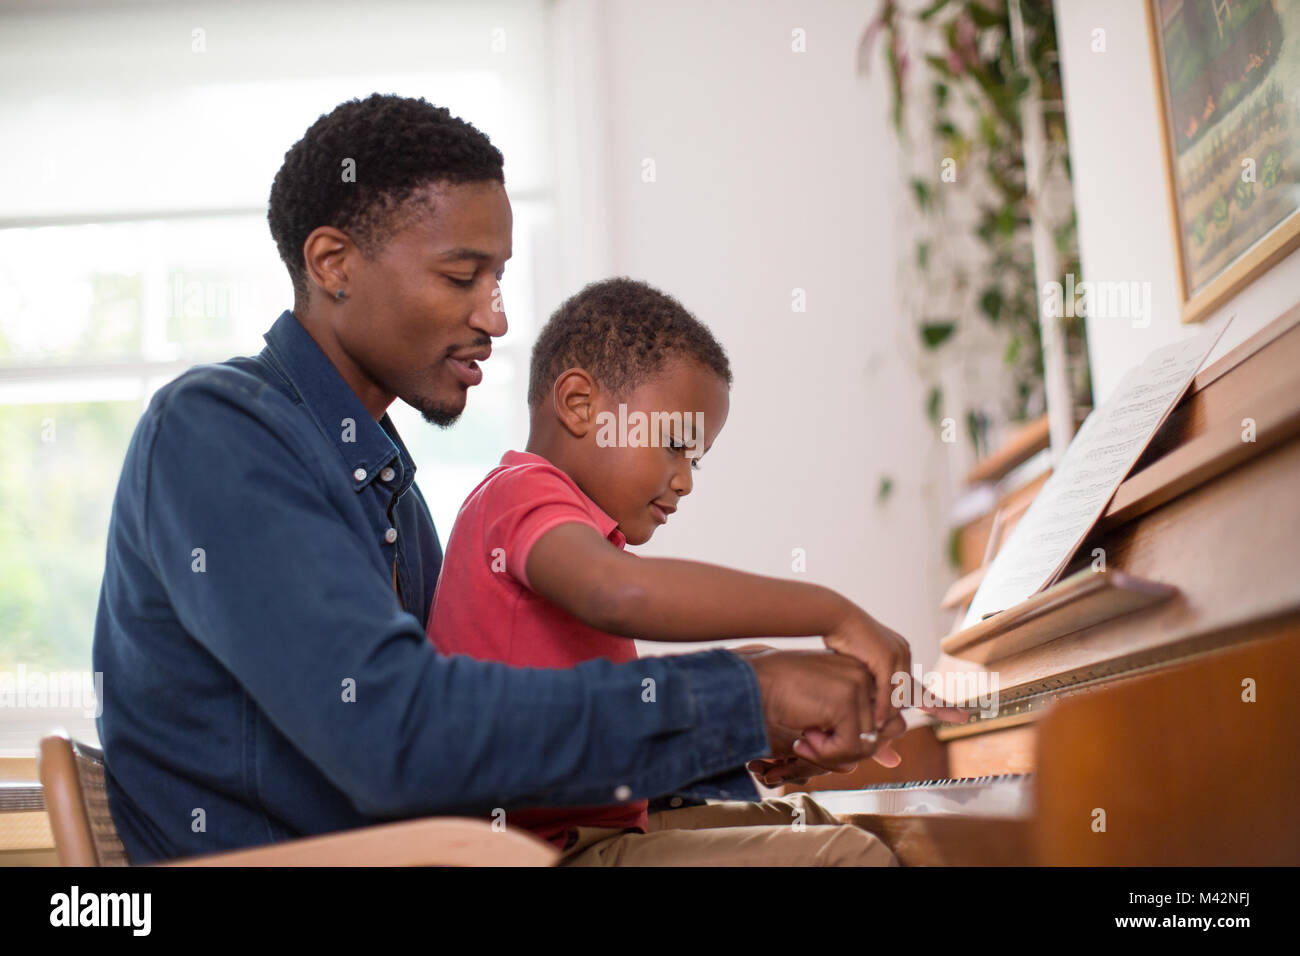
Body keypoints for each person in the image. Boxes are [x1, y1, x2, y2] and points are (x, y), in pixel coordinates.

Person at [91, 94, 938, 864]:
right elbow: (401, 738)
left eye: (498, 281)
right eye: (464, 277)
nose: (496, 317)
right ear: (334, 263)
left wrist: (745, 723)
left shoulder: (387, 492)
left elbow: (487, 735)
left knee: (851, 841)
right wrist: (745, 695)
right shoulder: (217, 431)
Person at [427, 276, 938, 865]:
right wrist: (833, 611)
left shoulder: (577, 534)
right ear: (578, 404)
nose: (686, 480)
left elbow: (620, 713)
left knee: (814, 822)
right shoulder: (520, 495)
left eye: (696, 459)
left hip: (581, 833)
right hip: (531, 855)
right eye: (674, 445)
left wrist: (754, 727)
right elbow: (624, 594)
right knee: (844, 858)